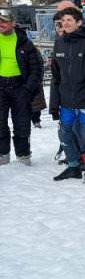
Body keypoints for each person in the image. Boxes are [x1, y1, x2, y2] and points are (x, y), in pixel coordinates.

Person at [49, 4, 85, 184]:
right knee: (64, 134)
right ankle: (73, 166)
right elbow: (56, 77)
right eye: (63, 20)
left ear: (79, 22)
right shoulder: (59, 42)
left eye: (69, 20)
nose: (65, 23)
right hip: (66, 101)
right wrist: (54, 105)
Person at [0, 10, 41, 165]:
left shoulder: (25, 42)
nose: (0, 24)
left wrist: (27, 89)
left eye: (4, 21)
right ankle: (2, 153)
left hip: (20, 87)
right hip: (1, 86)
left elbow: (36, 68)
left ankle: (23, 154)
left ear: (13, 23)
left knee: (22, 123)